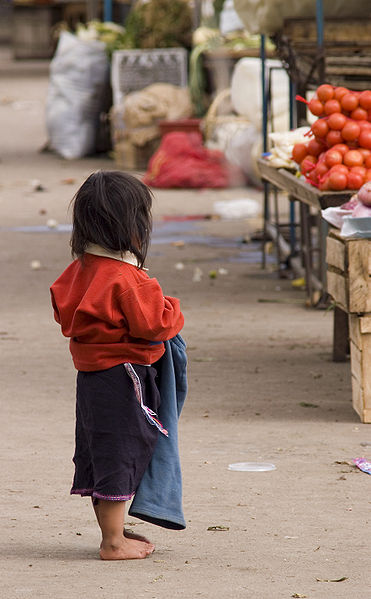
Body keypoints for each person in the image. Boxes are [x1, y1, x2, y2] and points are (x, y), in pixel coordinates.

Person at [50, 170, 184, 560]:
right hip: (126, 374)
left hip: (92, 377)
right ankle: (112, 542)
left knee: (101, 447)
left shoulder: (78, 270)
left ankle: (113, 529)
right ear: (134, 226)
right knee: (124, 447)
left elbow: (63, 310)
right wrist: (173, 307)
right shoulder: (128, 278)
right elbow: (155, 324)